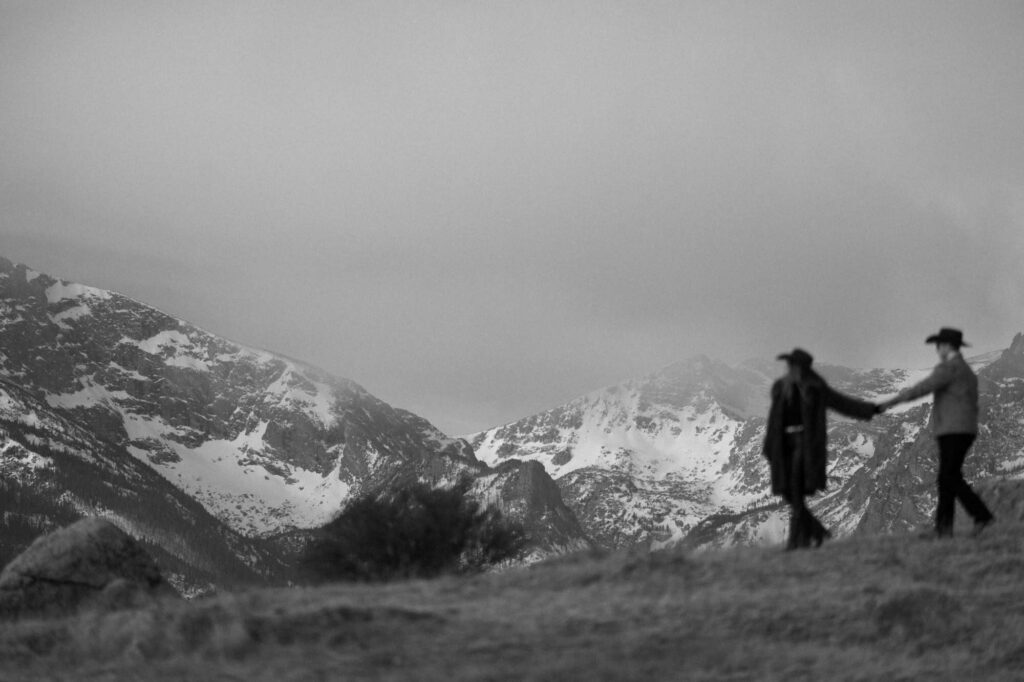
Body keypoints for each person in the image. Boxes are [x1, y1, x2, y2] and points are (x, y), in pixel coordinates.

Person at [878, 327, 994, 538]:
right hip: (965, 429)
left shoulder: (948, 368)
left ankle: (981, 516)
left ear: (947, 346)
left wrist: (891, 402)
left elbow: (922, 388)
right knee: (947, 478)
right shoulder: (967, 371)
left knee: (949, 476)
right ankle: (944, 529)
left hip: (953, 430)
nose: (937, 349)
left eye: (939, 345)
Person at [764, 348, 878, 550]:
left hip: (805, 444)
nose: (788, 368)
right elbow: (774, 420)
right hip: (784, 446)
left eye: (792, 365)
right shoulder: (781, 388)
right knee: (789, 493)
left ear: (800, 367)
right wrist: (769, 446)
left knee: (796, 490)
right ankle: (818, 533)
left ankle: (796, 542)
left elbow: (841, 403)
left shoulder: (815, 388)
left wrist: (868, 409)